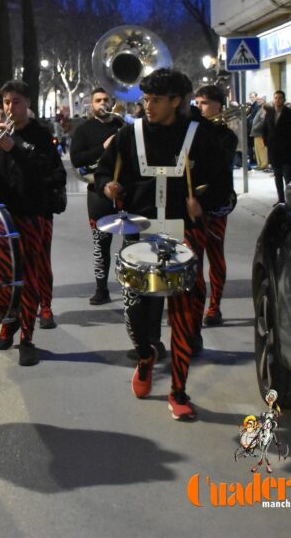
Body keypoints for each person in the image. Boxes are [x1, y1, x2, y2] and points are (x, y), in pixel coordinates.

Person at [95, 69, 232, 421]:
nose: (148, 106)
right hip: (139, 234)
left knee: (184, 316)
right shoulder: (130, 134)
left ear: (176, 101)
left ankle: (178, 391)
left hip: (185, 234)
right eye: (146, 100)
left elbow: (223, 185)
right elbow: (103, 171)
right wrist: (108, 186)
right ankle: (146, 356)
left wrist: (203, 203)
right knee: (136, 316)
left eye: (156, 100)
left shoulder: (201, 136)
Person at [0, 81, 66, 364]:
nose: (10, 108)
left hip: (32, 212)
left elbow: (48, 173)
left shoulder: (40, 135)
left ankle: (27, 337)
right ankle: (10, 320)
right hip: (2, 216)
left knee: (29, 276)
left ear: (27, 103)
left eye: (16, 101)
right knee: (4, 276)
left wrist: (14, 148)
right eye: (6, 102)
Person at [70, 89, 126, 305]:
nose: (103, 103)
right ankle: (101, 289)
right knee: (100, 242)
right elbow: (77, 159)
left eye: (106, 100)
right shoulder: (84, 130)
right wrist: (102, 147)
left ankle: (130, 286)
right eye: (98, 100)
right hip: (97, 191)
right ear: (91, 105)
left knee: (131, 240)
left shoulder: (122, 125)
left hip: (124, 189)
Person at [193, 85, 239, 327]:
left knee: (215, 252)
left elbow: (220, 161)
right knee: (194, 257)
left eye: (204, 103)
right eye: (198, 102)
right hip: (194, 201)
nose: (199, 107)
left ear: (219, 106)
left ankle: (215, 306)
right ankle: (196, 306)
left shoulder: (226, 135)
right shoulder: (194, 130)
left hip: (217, 201)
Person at [263, 90, 291, 204]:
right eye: (276, 98)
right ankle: (281, 199)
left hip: (286, 149)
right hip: (273, 149)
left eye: (280, 98)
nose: (277, 100)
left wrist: (289, 141)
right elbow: (264, 129)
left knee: (287, 175)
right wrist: (267, 142)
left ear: (284, 100)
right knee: (277, 176)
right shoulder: (269, 113)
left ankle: (290, 200)